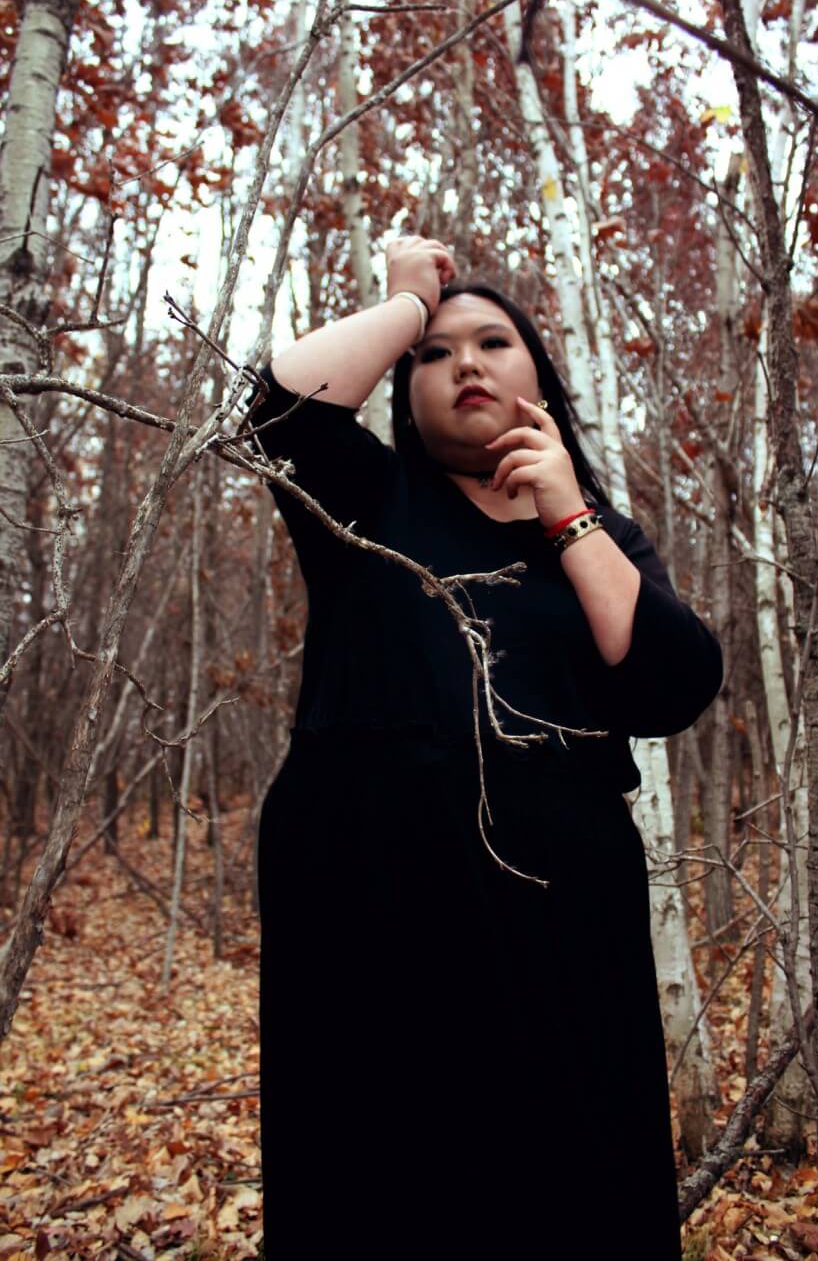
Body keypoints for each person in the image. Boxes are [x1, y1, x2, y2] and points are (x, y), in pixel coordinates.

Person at [245, 235, 722, 1258]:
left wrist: (568, 515)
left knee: (571, 1189)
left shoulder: (599, 539)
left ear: (539, 380)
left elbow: (671, 683)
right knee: (378, 1194)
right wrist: (407, 302)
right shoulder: (368, 504)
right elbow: (280, 405)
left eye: (493, 342)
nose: (463, 362)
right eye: (435, 353)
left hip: (562, 930)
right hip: (366, 913)